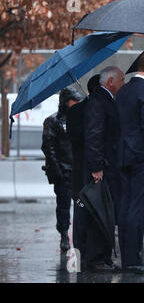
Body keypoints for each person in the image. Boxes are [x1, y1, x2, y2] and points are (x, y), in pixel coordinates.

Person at [115, 53, 144, 274]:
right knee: (139, 208)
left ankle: (127, 258)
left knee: (125, 207)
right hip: (143, 158)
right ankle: (134, 261)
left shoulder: (123, 90)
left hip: (123, 156)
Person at [84, 66, 124, 272]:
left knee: (107, 213)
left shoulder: (103, 99)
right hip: (103, 168)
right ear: (110, 82)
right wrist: (97, 167)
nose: (123, 84)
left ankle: (104, 257)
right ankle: (97, 259)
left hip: (108, 166)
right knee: (101, 213)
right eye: (122, 80)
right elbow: (94, 137)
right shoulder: (100, 101)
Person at [41, 87, 83, 252]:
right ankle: (64, 234)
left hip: (78, 169)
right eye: (74, 100)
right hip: (63, 170)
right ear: (66, 102)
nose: (77, 103)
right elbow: (48, 146)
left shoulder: (80, 118)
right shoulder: (53, 121)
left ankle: (80, 234)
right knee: (64, 205)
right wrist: (56, 169)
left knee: (81, 204)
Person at [66, 74, 100, 263]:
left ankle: (80, 252)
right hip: (90, 170)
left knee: (80, 212)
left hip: (79, 170)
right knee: (90, 213)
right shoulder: (94, 110)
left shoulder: (74, 112)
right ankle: (91, 254)